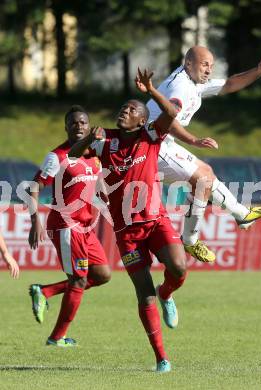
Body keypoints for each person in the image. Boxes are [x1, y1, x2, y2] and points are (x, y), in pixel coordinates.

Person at [68, 69, 188, 373]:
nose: (125, 112)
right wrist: (86, 143)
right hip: (127, 232)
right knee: (143, 291)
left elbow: (172, 112)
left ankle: (168, 293)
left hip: (155, 220)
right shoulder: (104, 139)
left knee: (179, 267)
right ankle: (161, 357)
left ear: (142, 120)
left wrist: (150, 89)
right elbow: (71, 153)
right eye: (123, 108)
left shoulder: (151, 135)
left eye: (132, 110)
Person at [147, 46, 261, 262]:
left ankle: (241, 215)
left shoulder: (193, 82)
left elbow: (229, 84)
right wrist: (193, 140)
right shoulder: (181, 87)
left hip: (161, 140)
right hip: (150, 144)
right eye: (205, 64)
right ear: (189, 63)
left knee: (206, 174)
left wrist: (258, 70)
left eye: (211, 66)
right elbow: (167, 120)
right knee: (202, 180)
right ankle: (191, 239)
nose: (209, 70)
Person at [28, 105, 111, 347]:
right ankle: (57, 338)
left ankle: (45, 292)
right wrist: (36, 222)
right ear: (66, 127)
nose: (79, 126)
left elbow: (98, 181)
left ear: (89, 125)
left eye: (83, 122)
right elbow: (33, 188)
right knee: (78, 280)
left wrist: (105, 196)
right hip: (66, 225)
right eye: (74, 123)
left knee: (102, 274)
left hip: (86, 226)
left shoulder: (94, 156)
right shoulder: (57, 157)